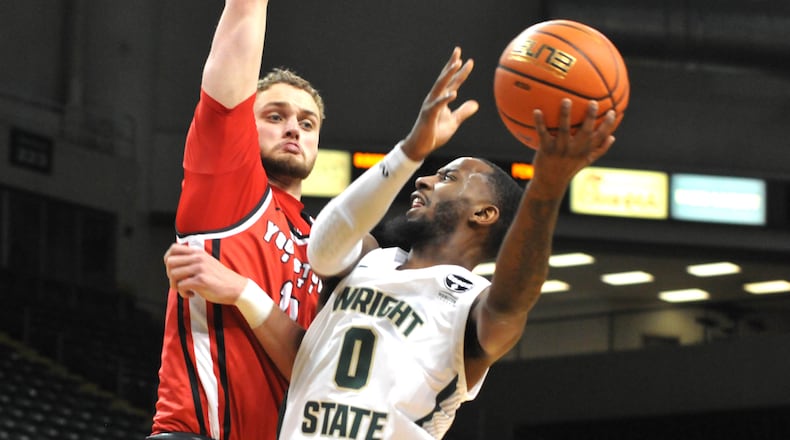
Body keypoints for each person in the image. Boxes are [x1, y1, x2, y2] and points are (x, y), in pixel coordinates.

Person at [163, 47, 617, 439]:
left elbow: (514, 299)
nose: (425, 180)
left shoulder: (473, 305)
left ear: (484, 214)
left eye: (449, 177)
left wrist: (547, 189)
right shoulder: (370, 261)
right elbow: (320, 256)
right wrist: (409, 151)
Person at [149, 0, 328, 439]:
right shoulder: (228, 185)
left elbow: (312, 371)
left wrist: (241, 291)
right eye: (275, 116)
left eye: (308, 123)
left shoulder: (324, 246)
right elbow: (241, 25)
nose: (293, 129)